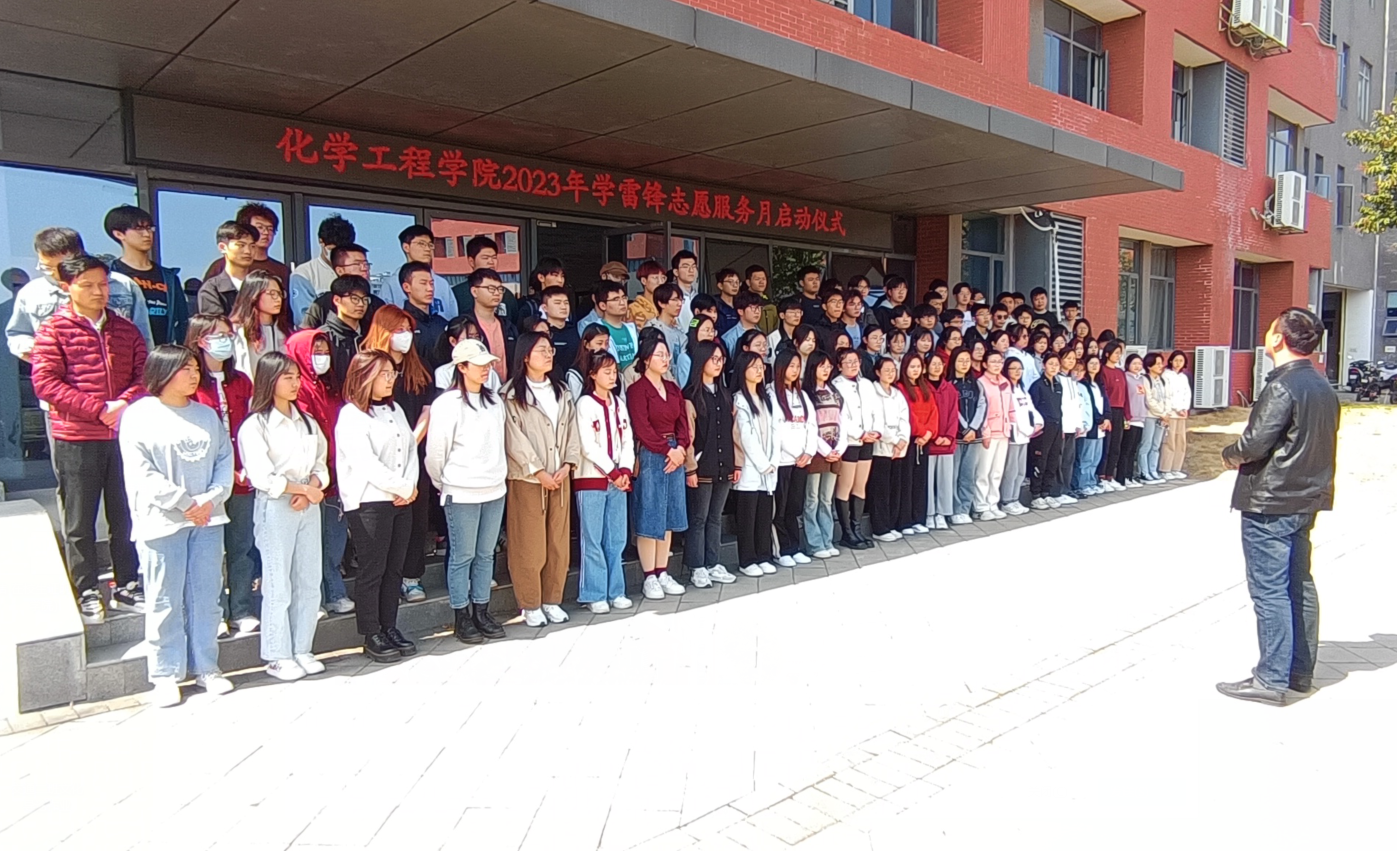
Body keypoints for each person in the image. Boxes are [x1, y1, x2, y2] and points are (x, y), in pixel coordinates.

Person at [1218, 307, 1338, 706]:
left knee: (1270, 590)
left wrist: (1229, 453)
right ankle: (1298, 671)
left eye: (1271, 329)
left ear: (1278, 338)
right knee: (1298, 584)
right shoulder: (1322, 385)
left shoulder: (1283, 386)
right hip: (1305, 499)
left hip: (1271, 502)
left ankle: (1271, 678)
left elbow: (1254, 443)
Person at [30, 255, 148, 624]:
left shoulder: (125, 329)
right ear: (66, 287)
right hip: (77, 437)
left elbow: (145, 374)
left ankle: (127, 583)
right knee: (80, 520)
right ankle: (86, 590)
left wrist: (124, 404)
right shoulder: (54, 330)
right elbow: (46, 383)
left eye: (103, 284)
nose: (99, 292)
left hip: (123, 434)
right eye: (88, 285)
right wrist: (98, 409)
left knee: (125, 514)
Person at [118, 344, 234, 707]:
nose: (194, 375)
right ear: (163, 372)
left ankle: (207, 667)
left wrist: (210, 499)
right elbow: (142, 472)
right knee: (164, 597)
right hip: (162, 521)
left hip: (208, 518)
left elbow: (224, 460)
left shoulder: (207, 415)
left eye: (196, 368)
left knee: (206, 595)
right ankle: (165, 673)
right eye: (186, 369)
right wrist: (185, 503)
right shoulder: (139, 415)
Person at [237, 352, 329, 681]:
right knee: (279, 581)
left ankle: (302, 647)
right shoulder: (256, 425)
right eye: (287, 377)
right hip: (277, 505)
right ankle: (277, 653)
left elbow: (320, 464)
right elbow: (262, 475)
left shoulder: (307, 421)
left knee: (308, 578)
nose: (294, 383)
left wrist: (312, 488)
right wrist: (302, 490)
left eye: (296, 377)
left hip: (307, 502)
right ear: (269, 380)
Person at [336, 351, 419, 663]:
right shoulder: (352, 415)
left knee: (395, 567)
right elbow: (365, 463)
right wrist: (401, 487)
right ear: (364, 376)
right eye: (383, 373)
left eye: (392, 373)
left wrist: (409, 486)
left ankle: (389, 625)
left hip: (401, 499)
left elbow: (410, 450)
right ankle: (371, 632)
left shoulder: (395, 409)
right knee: (373, 569)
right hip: (370, 501)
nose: (390, 379)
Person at [425, 339, 510, 643]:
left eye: (488, 364)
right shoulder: (447, 404)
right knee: (463, 555)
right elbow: (436, 453)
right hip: (461, 490)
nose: (486, 369)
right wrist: (445, 482)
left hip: (494, 488)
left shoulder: (495, 401)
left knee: (486, 554)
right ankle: (461, 614)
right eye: (479, 364)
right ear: (461, 367)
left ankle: (482, 610)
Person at [185, 314, 258, 635]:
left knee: (241, 547)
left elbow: (252, 427)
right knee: (208, 552)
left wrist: (246, 467)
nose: (227, 341)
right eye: (219, 335)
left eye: (229, 335)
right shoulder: (190, 383)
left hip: (241, 478)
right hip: (205, 481)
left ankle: (241, 609)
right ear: (201, 340)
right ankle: (213, 613)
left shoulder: (241, 381)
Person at [503, 332, 582, 625]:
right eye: (541, 351)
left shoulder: (561, 390)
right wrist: (537, 470)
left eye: (550, 350)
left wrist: (568, 464)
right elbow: (513, 438)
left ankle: (552, 599)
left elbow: (572, 430)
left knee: (558, 542)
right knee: (529, 543)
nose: (548, 355)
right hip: (527, 478)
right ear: (525, 356)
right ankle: (530, 603)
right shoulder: (511, 394)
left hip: (560, 476)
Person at [361, 305, 437, 602]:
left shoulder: (421, 366)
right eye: (399, 330)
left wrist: (411, 442)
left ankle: (411, 576)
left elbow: (428, 411)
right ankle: (386, 581)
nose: (406, 336)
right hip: (379, 454)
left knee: (416, 517)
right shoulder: (368, 365)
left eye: (409, 330)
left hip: (415, 453)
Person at [285, 329, 355, 616]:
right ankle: (314, 599)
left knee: (334, 541)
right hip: (307, 479)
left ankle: (335, 593)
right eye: (316, 352)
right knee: (310, 545)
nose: (322, 357)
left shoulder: (332, 385)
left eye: (326, 352)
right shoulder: (296, 390)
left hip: (335, 475)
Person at [7, 228, 152, 360]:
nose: (56, 274)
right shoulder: (31, 293)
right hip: (55, 374)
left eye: (62, 267)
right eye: (47, 267)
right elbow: (17, 334)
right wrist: (41, 351)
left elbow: (143, 338)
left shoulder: (123, 286)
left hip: (117, 372)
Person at [568, 349, 637, 614]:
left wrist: (625, 470)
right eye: (606, 371)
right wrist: (614, 472)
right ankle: (594, 593)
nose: (612, 376)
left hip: (619, 479)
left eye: (614, 371)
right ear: (592, 374)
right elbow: (588, 445)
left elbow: (627, 439)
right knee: (592, 538)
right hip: (591, 479)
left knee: (617, 537)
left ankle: (616, 590)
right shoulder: (585, 404)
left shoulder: (618, 403)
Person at [622, 334, 688, 597]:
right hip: (651, 453)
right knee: (650, 512)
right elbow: (642, 427)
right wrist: (667, 450)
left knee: (669, 514)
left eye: (667, 354)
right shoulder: (637, 390)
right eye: (659, 355)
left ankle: (663, 571)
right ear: (646, 359)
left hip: (675, 453)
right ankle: (649, 575)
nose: (665, 359)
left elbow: (683, 423)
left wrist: (680, 448)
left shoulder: (672, 388)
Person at [683, 341, 739, 587]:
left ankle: (713, 562)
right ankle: (697, 567)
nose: (718, 364)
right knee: (699, 518)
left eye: (721, 359)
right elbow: (688, 435)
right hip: (701, 466)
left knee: (715, 517)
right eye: (713, 359)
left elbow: (733, 433)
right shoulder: (691, 396)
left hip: (724, 463)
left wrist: (736, 464)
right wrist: (690, 467)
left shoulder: (725, 394)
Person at [105, 205, 189, 347]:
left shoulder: (169, 277)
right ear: (119, 234)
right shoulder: (110, 275)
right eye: (139, 229)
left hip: (163, 352)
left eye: (149, 228)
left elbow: (182, 322)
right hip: (126, 350)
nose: (146, 234)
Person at [767, 348, 819, 564]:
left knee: (794, 507)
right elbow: (776, 429)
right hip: (782, 461)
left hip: (801, 461)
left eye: (798, 366)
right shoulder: (771, 394)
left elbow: (812, 425)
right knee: (780, 508)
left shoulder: (803, 395)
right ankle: (782, 550)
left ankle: (795, 547)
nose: (795, 370)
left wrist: (808, 452)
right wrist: (794, 452)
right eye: (791, 366)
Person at [730, 351, 779, 576]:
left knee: (764, 515)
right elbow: (745, 436)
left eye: (761, 367)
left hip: (769, 467)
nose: (760, 371)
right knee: (747, 517)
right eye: (754, 367)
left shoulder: (767, 397)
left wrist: (773, 461)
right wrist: (763, 463)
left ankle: (764, 555)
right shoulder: (739, 399)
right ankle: (747, 560)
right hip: (751, 467)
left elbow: (776, 430)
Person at [802, 351, 849, 558]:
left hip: (835, 450)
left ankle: (827, 540)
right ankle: (814, 543)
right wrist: (825, 450)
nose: (826, 370)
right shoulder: (807, 393)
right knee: (812, 498)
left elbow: (843, 421)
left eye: (829, 366)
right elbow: (810, 425)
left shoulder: (835, 392)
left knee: (826, 499)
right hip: (817, 451)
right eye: (822, 366)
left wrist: (839, 448)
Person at [832, 349, 877, 549]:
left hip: (868, 440)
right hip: (849, 441)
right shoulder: (836, 385)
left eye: (855, 361)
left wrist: (875, 431)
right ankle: (846, 532)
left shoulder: (867, 384)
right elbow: (841, 416)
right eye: (847, 362)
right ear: (839, 365)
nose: (852, 365)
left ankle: (857, 528)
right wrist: (859, 433)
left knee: (860, 485)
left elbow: (875, 410)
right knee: (845, 486)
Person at [866, 356, 910, 542]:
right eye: (887, 370)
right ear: (878, 372)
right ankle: (880, 528)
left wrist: (902, 440)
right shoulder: (872, 392)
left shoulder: (897, 393)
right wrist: (894, 440)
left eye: (893, 370)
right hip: (881, 447)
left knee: (894, 488)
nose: (891, 373)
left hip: (897, 449)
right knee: (880, 490)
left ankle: (891, 524)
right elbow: (877, 421)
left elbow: (904, 419)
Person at [202, 203, 292, 287]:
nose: (266, 232)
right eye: (260, 227)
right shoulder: (223, 265)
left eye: (270, 229)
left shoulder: (282, 270)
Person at [300, 244, 386, 329]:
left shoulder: (377, 305)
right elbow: (306, 333)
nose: (364, 268)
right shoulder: (322, 305)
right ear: (340, 270)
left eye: (366, 264)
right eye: (357, 264)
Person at [973, 350, 1014, 521]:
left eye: (1000, 361)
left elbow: (1011, 407)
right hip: (988, 432)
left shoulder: (1005, 382)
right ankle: (980, 506)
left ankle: (992, 503)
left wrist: (1011, 424)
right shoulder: (980, 383)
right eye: (993, 361)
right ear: (985, 364)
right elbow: (981, 408)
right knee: (983, 471)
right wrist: (985, 430)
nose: (997, 365)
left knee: (997, 471)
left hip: (1003, 431)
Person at [896, 353, 934, 536]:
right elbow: (908, 414)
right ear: (905, 368)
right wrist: (921, 432)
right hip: (910, 440)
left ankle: (919, 519)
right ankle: (905, 521)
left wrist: (929, 433)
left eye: (918, 366)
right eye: (912, 367)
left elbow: (934, 412)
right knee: (907, 481)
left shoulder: (925, 387)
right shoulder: (900, 388)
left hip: (924, 441)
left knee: (920, 481)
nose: (916, 370)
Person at [229, 269, 292, 378]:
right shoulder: (237, 331)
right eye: (272, 293)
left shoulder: (285, 331)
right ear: (254, 295)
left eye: (280, 294)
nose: (278, 299)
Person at [949, 347, 985, 526]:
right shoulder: (949, 384)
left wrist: (973, 428)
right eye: (960, 360)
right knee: (954, 475)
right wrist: (965, 429)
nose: (964, 364)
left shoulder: (976, 383)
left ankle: (965, 508)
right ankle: (954, 510)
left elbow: (982, 405)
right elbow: (953, 409)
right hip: (957, 436)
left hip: (974, 437)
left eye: (967, 360)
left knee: (968, 475)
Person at [924, 352, 959, 529]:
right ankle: (929, 513)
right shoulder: (923, 388)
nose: (937, 367)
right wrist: (934, 436)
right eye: (933, 364)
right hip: (929, 442)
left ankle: (942, 514)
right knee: (928, 481)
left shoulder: (950, 389)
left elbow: (954, 415)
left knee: (946, 480)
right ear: (926, 367)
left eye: (940, 364)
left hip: (947, 443)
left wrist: (949, 437)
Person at [196, 221, 261, 317]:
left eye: (252, 246)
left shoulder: (263, 284)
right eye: (241, 245)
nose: (248, 251)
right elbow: (215, 324)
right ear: (223, 247)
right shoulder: (212, 289)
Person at [1000, 356, 1039, 516]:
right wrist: (1025, 428)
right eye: (1013, 368)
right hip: (1014, 434)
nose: (1017, 371)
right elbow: (1012, 413)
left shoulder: (1022, 388)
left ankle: (1015, 498)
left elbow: (1030, 408)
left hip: (1026, 434)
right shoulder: (1006, 387)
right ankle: (1006, 500)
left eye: (1020, 368)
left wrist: (1038, 423)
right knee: (1011, 470)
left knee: (1020, 470)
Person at [394, 225, 459, 319]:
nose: (428, 249)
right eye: (421, 244)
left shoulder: (442, 283)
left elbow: (453, 317)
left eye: (430, 245)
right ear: (406, 247)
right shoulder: (391, 283)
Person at [1027, 353, 1064, 510]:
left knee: (1052, 460)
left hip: (1057, 427)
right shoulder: (1037, 386)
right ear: (1043, 365)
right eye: (1050, 364)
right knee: (1040, 461)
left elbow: (1059, 408)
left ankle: (1046, 492)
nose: (1054, 367)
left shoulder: (1058, 385)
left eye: (1056, 364)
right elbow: (1032, 409)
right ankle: (1035, 495)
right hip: (1043, 429)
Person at [467, 268, 517, 383]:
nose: (497, 293)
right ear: (474, 291)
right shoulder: (465, 325)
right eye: (491, 288)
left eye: (500, 289)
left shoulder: (508, 326)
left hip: (507, 388)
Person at [452, 236, 519, 321]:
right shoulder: (457, 294)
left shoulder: (506, 294)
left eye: (494, 257)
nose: (491, 262)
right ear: (471, 261)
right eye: (485, 258)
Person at [320, 274, 370, 386]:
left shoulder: (370, 333)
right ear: (337, 300)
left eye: (365, 299)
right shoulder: (324, 336)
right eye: (355, 299)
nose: (361, 304)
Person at [580, 280, 640, 371]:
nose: (622, 302)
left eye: (624, 297)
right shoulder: (596, 330)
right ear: (603, 305)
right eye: (616, 299)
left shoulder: (631, 328)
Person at [399, 261, 449, 369]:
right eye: (423, 283)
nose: (430, 288)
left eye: (431, 283)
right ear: (407, 287)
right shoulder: (400, 324)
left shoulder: (442, 323)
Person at [291, 214, 356, 296]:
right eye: (333, 249)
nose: (337, 255)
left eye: (343, 251)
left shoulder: (357, 271)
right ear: (321, 242)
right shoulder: (304, 273)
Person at [1074, 354, 1109, 498]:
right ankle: (1083, 484)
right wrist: (1099, 420)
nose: (1094, 366)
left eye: (1097, 363)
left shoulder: (1099, 384)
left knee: (1096, 457)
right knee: (1086, 457)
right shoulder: (1083, 385)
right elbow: (1090, 406)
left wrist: (1107, 418)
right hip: (1091, 425)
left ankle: (1091, 481)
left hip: (1101, 426)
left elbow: (1105, 402)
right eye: (1091, 363)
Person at [1096, 342, 1128, 491]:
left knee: (1116, 445)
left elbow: (1125, 394)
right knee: (1106, 445)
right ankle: (1101, 476)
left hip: (1119, 411)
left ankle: (1110, 475)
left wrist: (1127, 414)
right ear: (1107, 354)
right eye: (1115, 353)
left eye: (1119, 353)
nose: (1118, 356)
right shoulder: (1102, 370)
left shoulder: (1120, 372)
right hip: (1108, 410)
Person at [1056, 349, 1086, 504]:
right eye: (1068, 358)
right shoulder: (1057, 379)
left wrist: (1078, 424)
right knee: (1059, 460)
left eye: (1073, 359)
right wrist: (1060, 426)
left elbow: (1076, 405)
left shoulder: (1072, 379)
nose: (1071, 361)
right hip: (1062, 426)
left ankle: (1066, 489)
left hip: (1072, 426)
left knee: (1069, 459)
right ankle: (1058, 491)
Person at [1137, 352, 1169, 485]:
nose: (1161, 366)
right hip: (1150, 416)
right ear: (1149, 366)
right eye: (1158, 364)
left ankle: (1153, 470)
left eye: (1161, 363)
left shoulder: (1162, 380)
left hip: (1162, 417)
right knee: (1146, 444)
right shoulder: (1145, 379)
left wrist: (1166, 413)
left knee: (1156, 445)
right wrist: (1161, 413)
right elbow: (1148, 400)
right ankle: (1143, 472)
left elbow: (1167, 397)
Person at [1160, 350, 1192, 479]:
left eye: (1181, 361)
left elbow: (1187, 394)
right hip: (1171, 412)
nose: (1178, 363)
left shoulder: (1183, 377)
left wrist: (1185, 408)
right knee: (1170, 441)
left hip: (1181, 414)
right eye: (1176, 360)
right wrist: (1177, 408)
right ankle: (1165, 469)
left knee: (1180, 441)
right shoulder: (1166, 375)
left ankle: (1176, 468)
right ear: (1171, 361)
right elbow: (1168, 394)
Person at [1119, 353, 1148, 488]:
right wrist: (1126, 416)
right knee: (1126, 449)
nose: (1137, 366)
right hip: (1130, 418)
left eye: (1139, 364)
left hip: (1140, 418)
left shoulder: (1141, 379)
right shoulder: (1125, 377)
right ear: (1128, 364)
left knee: (1133, 450)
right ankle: (1122, 477)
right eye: (1134, 363)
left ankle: (1129, 476)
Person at [539, 285, 578, 382]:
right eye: (557, 303)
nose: (563, 307)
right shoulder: (540, 332)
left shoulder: (577, 330)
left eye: (566, 303)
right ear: (545, 308)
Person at [566, 324, 612, 400]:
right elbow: (575, 402)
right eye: (599, 343)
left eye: (606, 343)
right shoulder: (576, 373)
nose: (604, 347)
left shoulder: (612, 368)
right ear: (586, 344)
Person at [721, 290, 765, 356]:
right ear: (740, 311)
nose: (757, 311)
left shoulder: (762, 334)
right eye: (753, 308)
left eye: (759, 307)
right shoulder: (729, 338)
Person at [627, 259, 667, 327]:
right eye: (655, 278)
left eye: (663, 278)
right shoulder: (633, 308)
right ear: (644, 281)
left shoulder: (666, 306)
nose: (660, 282)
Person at [744, 264, 779, 334]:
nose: (761, 282)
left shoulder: (769, 301)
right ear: (748, 282)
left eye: (764, 279)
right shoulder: (743, 301)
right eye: (757, 279)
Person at [671, 250, 700, 328]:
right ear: (676, 272)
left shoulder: (698, 297)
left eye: (693, 266)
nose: (691, 270)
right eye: (685, 266)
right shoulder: (670, 297)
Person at [713, 267, 741, 338]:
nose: (735, 285)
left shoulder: (741, 305)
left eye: (737, 282)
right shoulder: (714, 305)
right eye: (730, 282)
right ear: (720, 286)